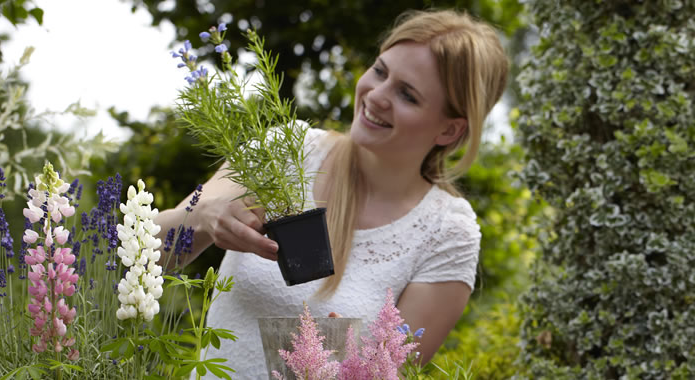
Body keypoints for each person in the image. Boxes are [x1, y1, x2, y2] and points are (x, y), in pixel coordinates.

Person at [155, 8, 508, 378]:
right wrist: (205, 217)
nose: (377, 95)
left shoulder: (448, 232)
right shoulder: (285, 149)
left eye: (407, 95)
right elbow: (145, 254)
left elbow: (397, 371)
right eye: (380, 71)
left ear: (449, 132)